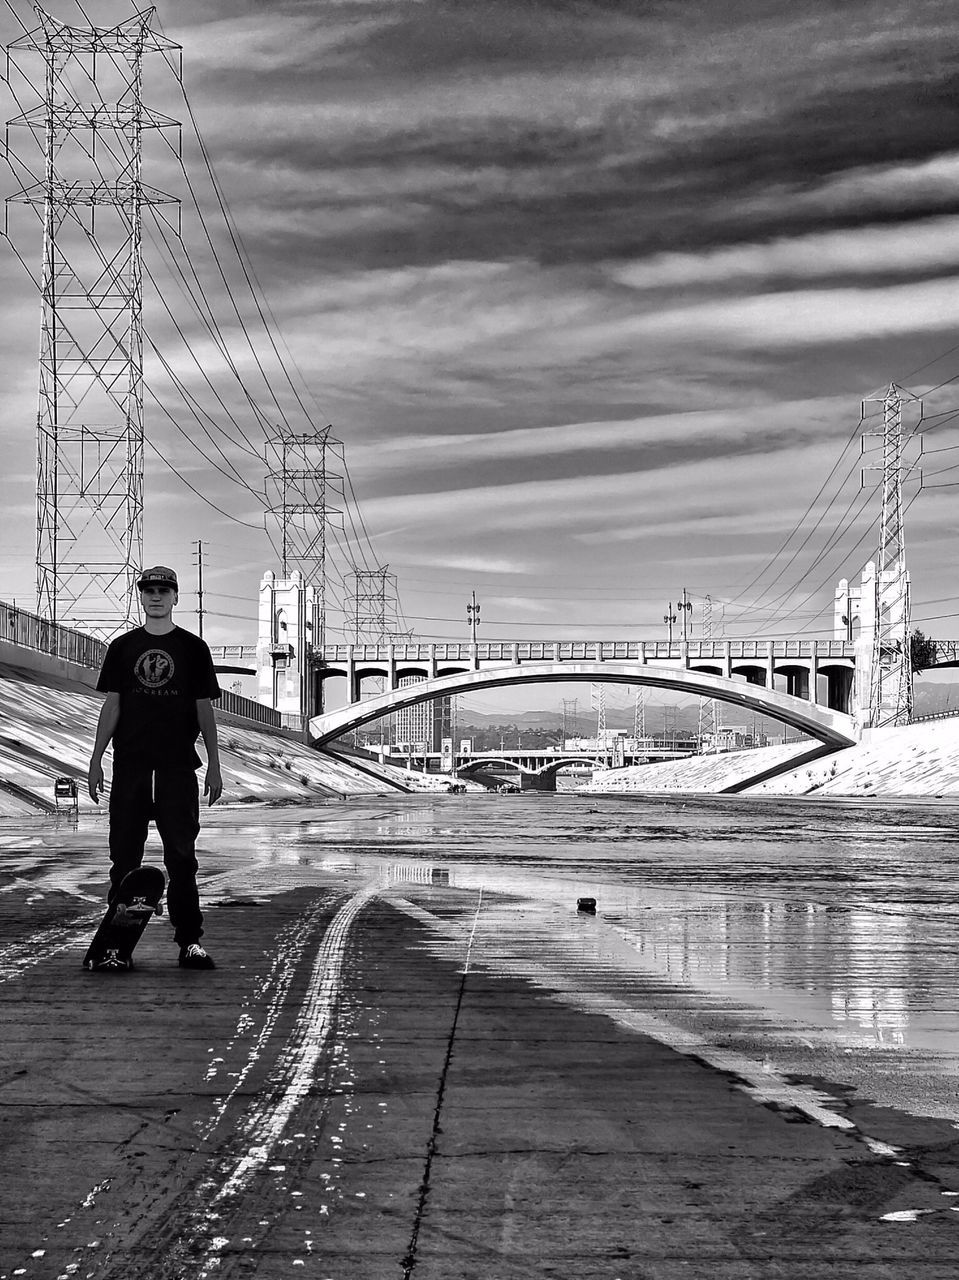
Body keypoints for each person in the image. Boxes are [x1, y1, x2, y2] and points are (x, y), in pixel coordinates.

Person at [87, 565, 223, 970]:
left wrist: (215, 765)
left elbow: (204, 710)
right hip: (130, 767)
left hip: (176, 769)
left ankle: (189, 943)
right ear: (141, 597)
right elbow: (112, 705)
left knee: (182, 858)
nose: (156, 596)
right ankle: (114, 946)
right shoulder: (123, 647)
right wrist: (95, 760)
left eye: (164, 590)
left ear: (176, 597)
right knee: (123, 861)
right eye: (149, 590)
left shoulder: (193, 649)